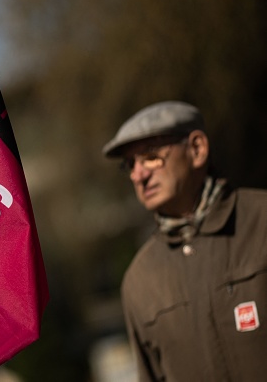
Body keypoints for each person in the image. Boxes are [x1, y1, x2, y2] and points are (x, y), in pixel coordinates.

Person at [102, 101, 267, 381]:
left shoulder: (261, 220)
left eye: (151, 156)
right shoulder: (139, 280)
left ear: (197, 149)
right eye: (130, 164)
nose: (138, 175)